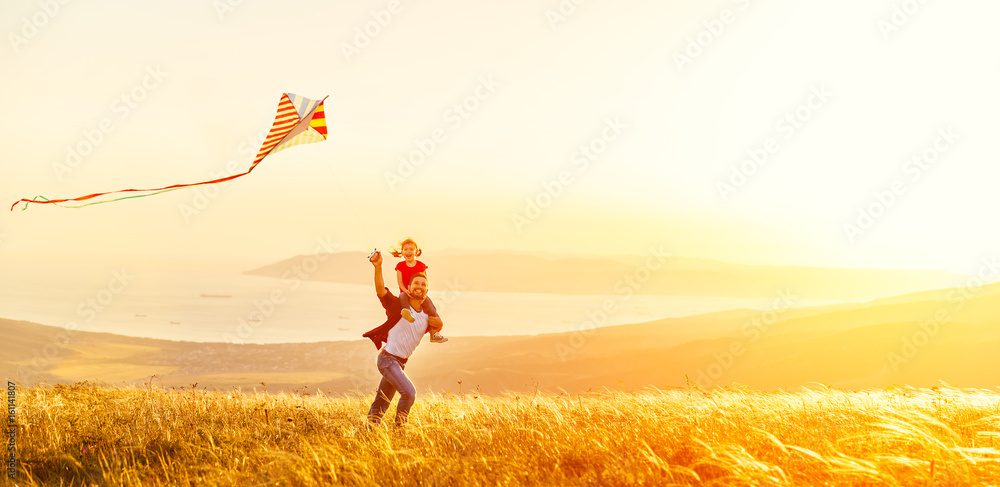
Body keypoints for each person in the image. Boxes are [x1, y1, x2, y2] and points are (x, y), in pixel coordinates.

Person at [362, 250, 444, 426]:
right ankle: (400, 430)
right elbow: (380, 291)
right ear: (409, 285)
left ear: (427, 290)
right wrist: (378, 267)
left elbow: (438, 325)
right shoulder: (398, 306)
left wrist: (439, 322)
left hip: (400, 363)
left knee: (382, 401)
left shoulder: (426, 317)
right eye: (416, 283)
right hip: (387, 359)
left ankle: (367, 432)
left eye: (423, 284)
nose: (419, 286)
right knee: (409, 393)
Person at [390, 238, 447, 343]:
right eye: (405, 249)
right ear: (402, 252)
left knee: (431, 307)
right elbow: (400, 282)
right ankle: (407, 313)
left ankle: (434, 333)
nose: (408, 251)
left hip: (420, 294)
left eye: (411, 249)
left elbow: (425, 281)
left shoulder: (421, 265)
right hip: (406, 292)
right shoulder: (400, 266)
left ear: (416, 251)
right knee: (402, 297)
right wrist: (405, 291)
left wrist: (424, 294)